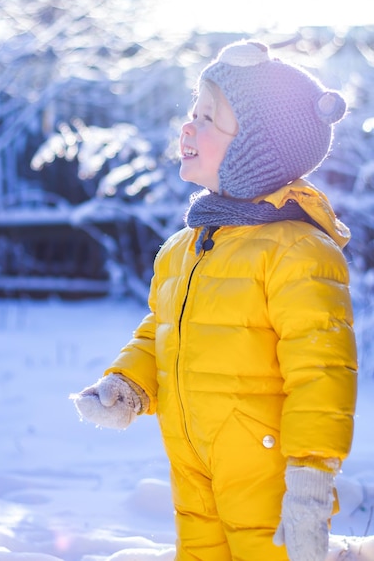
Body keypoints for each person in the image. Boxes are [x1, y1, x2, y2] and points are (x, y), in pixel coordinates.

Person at [71, 40, 358, 561]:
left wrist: (312, 477)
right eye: (191, 112)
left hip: (269, 478)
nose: (187, 127)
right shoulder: (185, 247)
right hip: (193, 465)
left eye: (207, 118)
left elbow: (323, 375)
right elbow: (161, 330)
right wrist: (128, 382)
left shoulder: (297, 251)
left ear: (254, 147)